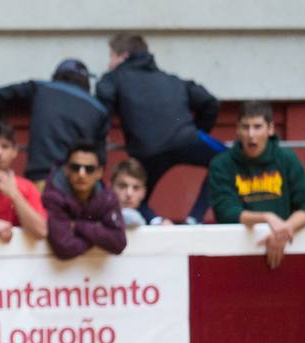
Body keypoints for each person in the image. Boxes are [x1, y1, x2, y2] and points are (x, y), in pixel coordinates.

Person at [95, 33, 222, 223]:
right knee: (226, 160)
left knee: (134, 196)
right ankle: (194, 219)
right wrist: (196, 132)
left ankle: (155, 221)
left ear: (124, 56)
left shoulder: (113, 78)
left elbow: (101, 108)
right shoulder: (171, 79)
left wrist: (101, 134)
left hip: (147, 151)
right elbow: (209, 102)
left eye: (111, 56)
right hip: (185, 140)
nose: (109, 63)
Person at [207, 101, 305, 270]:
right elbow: (225, 211)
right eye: (245, 127)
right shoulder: (221, 164)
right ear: (237, 129)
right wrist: (267, 217)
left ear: (270, 129)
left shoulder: (286, 159)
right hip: (238, 255)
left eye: (257, 127)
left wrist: (285, 230)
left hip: (286, 253)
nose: (251, 134)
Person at [0, 59, 111, 183]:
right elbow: (100, 158)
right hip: (77, 184)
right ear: (86, 80)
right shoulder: (98, 109)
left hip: (40, 177)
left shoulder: (40, 88)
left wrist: (1, 132)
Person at [42, 143, 128, 260]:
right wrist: (99, 233)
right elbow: (64, 248)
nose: (82, 174)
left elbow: (118, 242)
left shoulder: (108, 197)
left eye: (89, 169)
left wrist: (78, 226)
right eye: (75, 168)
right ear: (66, 169)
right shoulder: (53, 196)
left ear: (99, 173)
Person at [112, 160, 168, 227]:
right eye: (123, 186)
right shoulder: (101, 211)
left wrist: (163, 224)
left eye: (136, 188)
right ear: (111, 188)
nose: (129, 194)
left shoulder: (145, 212)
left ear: (143, 192)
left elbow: (156, 221)